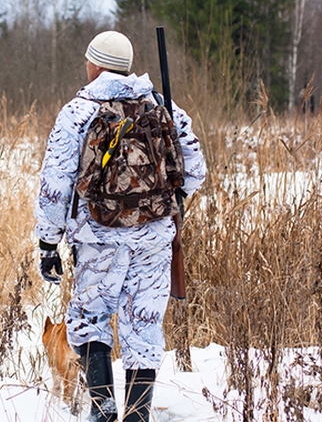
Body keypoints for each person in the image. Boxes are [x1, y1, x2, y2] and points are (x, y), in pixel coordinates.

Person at [34, 31, 206, 422]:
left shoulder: (78, 112)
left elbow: (55, 184)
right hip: (154, 239)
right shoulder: (164, 107)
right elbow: (194, 171)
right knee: (143, 325)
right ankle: (137, 415)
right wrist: (162, 204)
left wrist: (48, 242)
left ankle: (103, 408)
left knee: (90, 319)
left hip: (97, 238)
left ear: (95, 64)